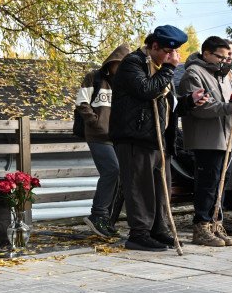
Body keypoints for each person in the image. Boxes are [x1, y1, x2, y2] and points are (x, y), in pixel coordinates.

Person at [108, 25, 192, 252]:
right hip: (135, 136)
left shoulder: (161, 67)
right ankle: (139, 233)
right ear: (154, 46)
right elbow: (146, 90)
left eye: (175, 53)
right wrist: (168, 69)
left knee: (160, 187)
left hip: (158, 138)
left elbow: (169, 104)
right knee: (140, 187)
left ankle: (158, 229)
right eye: (168, 51)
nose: (172, 57)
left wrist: (190, 101)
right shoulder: (133, 63)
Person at [177, 37, 232, 247]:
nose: (224, 61)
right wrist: (228, 108)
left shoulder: (227, 74)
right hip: (207, 139)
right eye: (219, 56)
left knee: (221, 185)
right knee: (208, 184)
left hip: (228, 137)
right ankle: (201, 226)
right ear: (206, 53)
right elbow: (199, 108)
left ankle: (216, 223)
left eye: (227, 57)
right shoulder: (193, 73)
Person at [77, 44, 131, 237]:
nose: (121, 69)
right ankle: (97, 214)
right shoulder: (94, 77)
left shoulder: (126, 82)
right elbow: (81, 103)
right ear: (112, 62)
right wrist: (95, 123)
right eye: (119, 64)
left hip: (118, 136)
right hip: (98, 135)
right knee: (112, 170)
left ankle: (106, 219)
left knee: (120, 175)